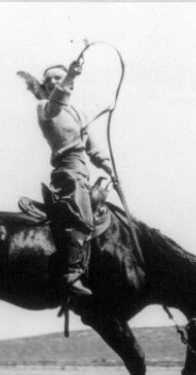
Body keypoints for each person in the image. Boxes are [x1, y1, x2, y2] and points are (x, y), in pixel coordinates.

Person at [31, 61, 114, 296]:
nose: (55, 83)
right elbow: (56, 103)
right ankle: (71, 271)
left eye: (60, 78)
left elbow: (90, 146)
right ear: (45, 88)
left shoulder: (78, 113)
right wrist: (68, 76)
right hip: (67, 168)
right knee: (82, 216)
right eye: (50, 81)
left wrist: (108, 167)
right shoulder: (45, 106)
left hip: (82, 167)